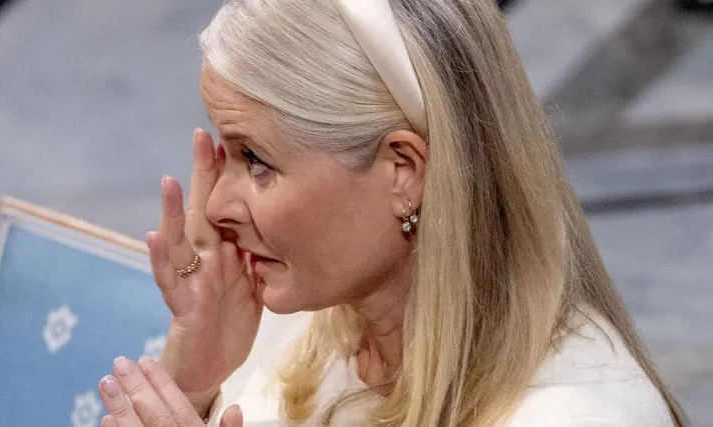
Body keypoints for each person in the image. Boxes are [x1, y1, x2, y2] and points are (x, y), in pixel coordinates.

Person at [95, 0, 689, 426]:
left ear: (404, 171)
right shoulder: (287, 318)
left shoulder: (578, 414)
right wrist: (195, 385)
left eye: (256, 161)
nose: (216, 207)